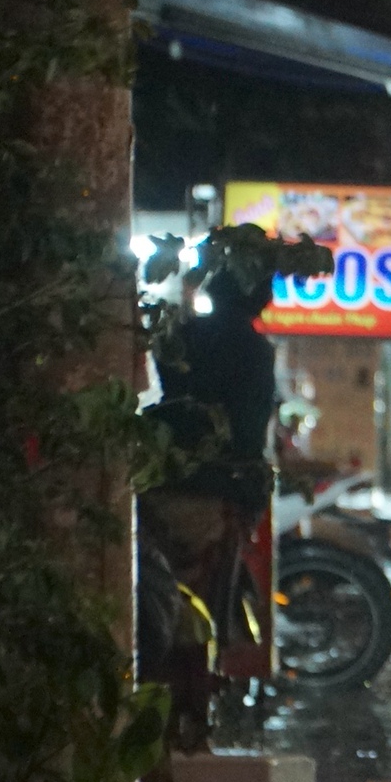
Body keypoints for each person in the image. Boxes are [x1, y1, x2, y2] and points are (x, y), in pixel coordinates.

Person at [140, 266, 281, 750]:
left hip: (156, 490)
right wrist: (251, 499)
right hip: (214, 497)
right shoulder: (254, 351)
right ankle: (190, 728)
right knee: (203, 619)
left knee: (156, 606)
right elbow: (248, 435)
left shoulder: (175, 337)